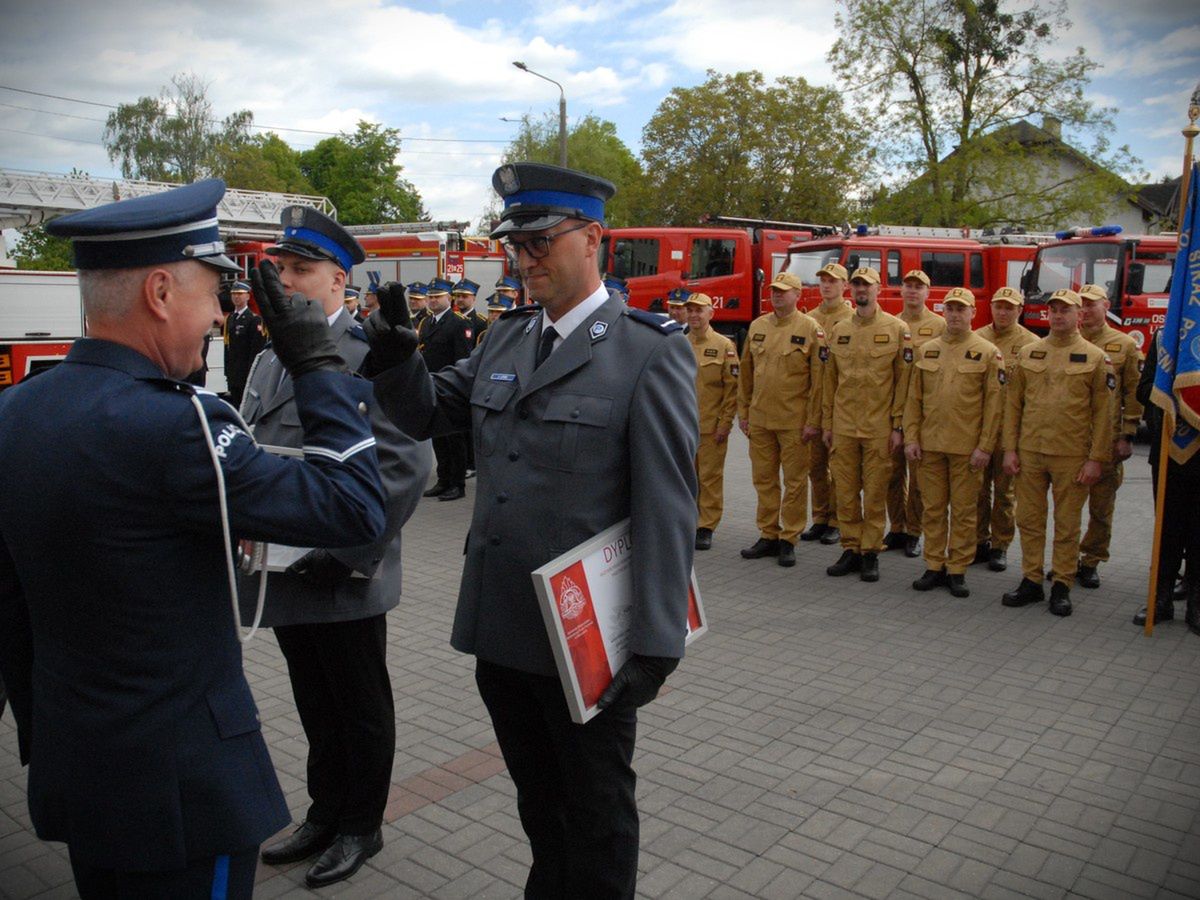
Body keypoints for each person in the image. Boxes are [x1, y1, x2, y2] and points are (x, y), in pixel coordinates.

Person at [0, 180, 386, 900]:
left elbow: (10, 605)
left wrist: (48, 727)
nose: (218, 315)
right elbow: (357, 506)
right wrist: (315, 365)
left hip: (81, 771)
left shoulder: (17, 411)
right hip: (184, 790)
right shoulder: (181, 427)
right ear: (158, 291)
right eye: (212, 292)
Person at [365, 162, 698, 899]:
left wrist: (658, 638)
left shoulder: (649, 350)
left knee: (598, 811)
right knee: (538, 804)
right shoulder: (509, 338)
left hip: (588, 638)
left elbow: (668, 505)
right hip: (506, 624)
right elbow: (427, 414)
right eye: (516, 243)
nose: (526, 257)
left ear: (594, 238)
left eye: (543, 239)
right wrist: (395, 360)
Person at [237, 207, 429, 888]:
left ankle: (360, 825)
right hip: (284, 569)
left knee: (358, 704)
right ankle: (324, 812)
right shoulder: (268, 357)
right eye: (281, 267)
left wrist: (347, 554)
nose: (285, 279)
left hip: (345, 571)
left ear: (338, 279)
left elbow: (408, 467)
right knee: (314, 700)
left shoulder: (371, 352)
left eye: (300, 268)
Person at [1001, 289, 1114, 617]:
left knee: (1066, 524)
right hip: (1031, 452)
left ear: (1080, 315)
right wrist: (1010, 449)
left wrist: (1096, 458)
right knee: (1029, 520)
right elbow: (1013, 406)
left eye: (1066, 311)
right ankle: (1031, 579)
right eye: (1054, 311)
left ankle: (1062, 583)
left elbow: (1103, 415)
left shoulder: (1095, 358)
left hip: (1072, 455)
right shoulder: (1029, 353)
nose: (1059, 316)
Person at [903, 288, 1003, 598]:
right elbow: (913, 399)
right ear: (943, 312)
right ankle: (934, 564)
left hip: (966, 448)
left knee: (963, 512)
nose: (955, 315)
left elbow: (994, 406)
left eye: (962, 309)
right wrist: (911, 437)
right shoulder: (927, 350)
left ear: (974, 313)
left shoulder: (987, 353)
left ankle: (957, 568)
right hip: (931, 445)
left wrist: (985, 447)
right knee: (932, 509)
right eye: (950, 309)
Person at [822, 267, 912, 582]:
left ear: (879, 288)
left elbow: (904, 383)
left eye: (867, 285)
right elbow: (829, 380)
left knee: (875, 493)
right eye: (857, 285)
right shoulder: (838, 329)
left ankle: (870, 551)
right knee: (845, 491)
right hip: (844, 425)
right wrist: (827, 423)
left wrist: (898, 426)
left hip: (879, 427)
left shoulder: (897, 329)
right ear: (851, 289)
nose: (862, 290)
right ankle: (850, 547)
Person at [737, 271, 825, 567]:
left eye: (784, 291)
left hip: (794, 422)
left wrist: (814, 421)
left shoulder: (811, 328)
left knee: (795, 482)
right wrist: (744, 412)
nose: (777, 295)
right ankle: (768, 534)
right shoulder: (758, 326)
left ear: (797, 295)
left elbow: (819, 380)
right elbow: (745, 374)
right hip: (761, 419)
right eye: (774, 290)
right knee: (764, 480)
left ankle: (789, 538)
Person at [1076, 283, 1143, 589]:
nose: (1086, 310)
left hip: (1107, 440)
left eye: (1093, 304)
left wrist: (1127, 434)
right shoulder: (1066, 342)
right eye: (1082, 304)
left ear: (1106, 306)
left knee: (1101, 507)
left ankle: (1091, 560)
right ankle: (1065, 560)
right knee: (1067, 507)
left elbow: (1134, 392)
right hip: (1070, 438)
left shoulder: (1124, 345)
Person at [1132, 329, 1200, 629]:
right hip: (1168, 451)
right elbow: (1143, 388)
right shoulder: (1166, 337)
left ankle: (1196, 602)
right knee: (1167, 529)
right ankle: (1160, 599)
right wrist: (1173, 394)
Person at [973, 286, 1039, 571]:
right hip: (977, 429)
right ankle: (978, 541)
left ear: (1019, 310)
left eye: (1009, 308)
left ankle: (1000, 545)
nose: (1003, 312)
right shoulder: (977, 339)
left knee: (1004, 493)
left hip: (1009, 432)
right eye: (999, 306)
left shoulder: (1031, 345)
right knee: (976, 491)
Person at [887, 269, 945, 557]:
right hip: (891, 410)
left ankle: (914, 530)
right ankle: (896, 528)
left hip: (923, 412)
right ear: (901, 291)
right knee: (892, 474)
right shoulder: (892, 324)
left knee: (920, 477)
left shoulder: (940, 326)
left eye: (918, 287)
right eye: (908, 286)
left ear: (928, 292)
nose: (912, 291)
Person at [801, 263, 853, 546]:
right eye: (822, 280)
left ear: (844, 285)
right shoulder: (810, 319)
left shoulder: (852, 318)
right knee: (816, 466)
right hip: (813, 402)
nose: (826, 285)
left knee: (839, 468)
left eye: (833, 281)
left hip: (840, 404)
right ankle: (819, 518)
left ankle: (837, 520)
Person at [685, 292, 739, 551]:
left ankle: (706, 526)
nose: (694, 315)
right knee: (686, 479)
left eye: (699, 310)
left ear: (711, 313)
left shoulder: (724, 346)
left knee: (709, 479)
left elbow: (732, 389)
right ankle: (688, 522)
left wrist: (725, 424)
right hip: (684, 427)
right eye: (691, 310)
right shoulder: (679, 343)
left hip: (710, 428)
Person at [417, 277, 475, 501]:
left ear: (448, 298)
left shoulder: (458, 322)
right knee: (438, 438)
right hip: (432, 384)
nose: (432, 300)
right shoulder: (427, 323)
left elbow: (463, 358)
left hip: (451, 387)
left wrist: (457, 386)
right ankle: (443, 480)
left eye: (436, 297)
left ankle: (457, 484)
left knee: (455, 439)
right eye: (430, 297)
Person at [222, 280, 265, 406]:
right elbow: (227, 346)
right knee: (235, 402)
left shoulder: (253, 319)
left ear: (247, 296)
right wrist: (227, 370)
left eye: (240, 294)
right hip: (233, 372)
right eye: (234, 294)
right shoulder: (230, 318)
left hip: (245, 371)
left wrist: (251, 373)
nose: (236, 297)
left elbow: (255, 349)